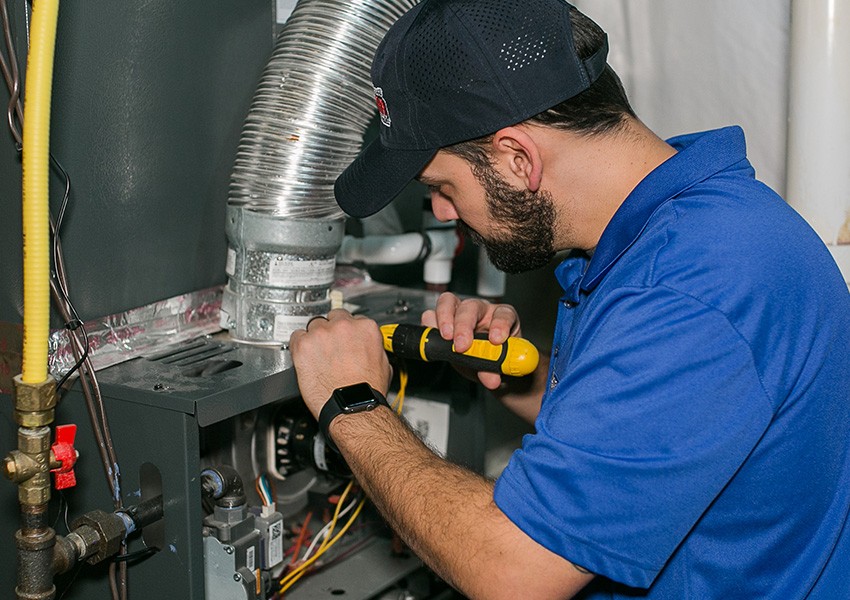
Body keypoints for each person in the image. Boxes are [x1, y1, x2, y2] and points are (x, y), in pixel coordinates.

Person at [289, 0, 850, 598]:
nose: (446, 214)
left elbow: (514, 572)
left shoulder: (691, 286)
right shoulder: (677, 233)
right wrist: (518, 379)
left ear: (517, 158)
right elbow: (663, 446)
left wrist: (351, 402)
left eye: (441, 187)